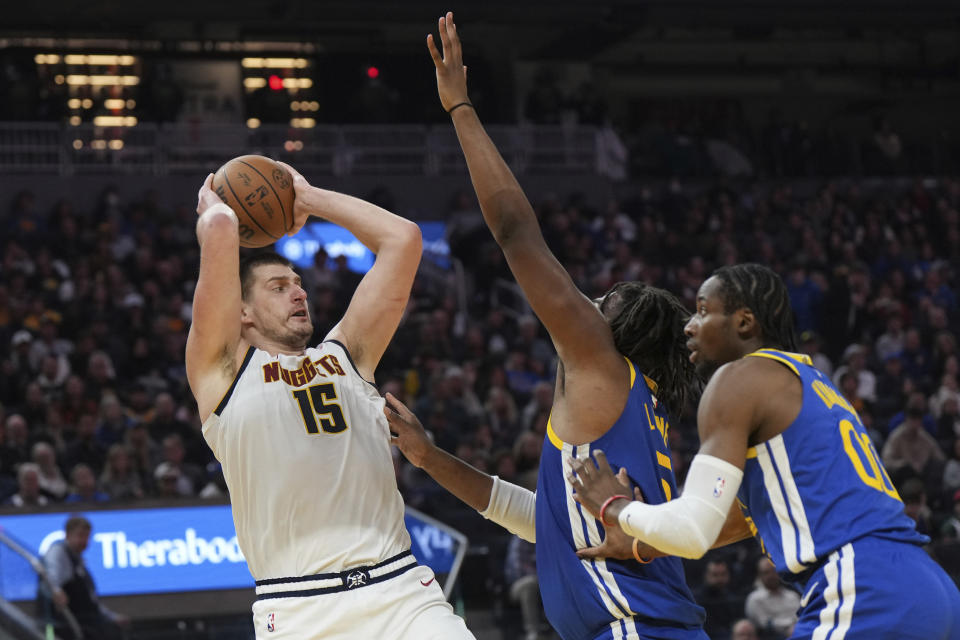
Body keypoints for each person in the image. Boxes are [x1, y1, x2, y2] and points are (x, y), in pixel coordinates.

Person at [388, 14, 752, 640]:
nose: (580, 303)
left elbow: (515, 233)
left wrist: (461, 108)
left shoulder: (602, 366)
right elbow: (534, 517)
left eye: (598, 302)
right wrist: (429, 459)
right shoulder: (627, 418)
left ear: (614, 329)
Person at [571, 263, 960, 639]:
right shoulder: (810, 381)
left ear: (744, 322)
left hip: (864, 586)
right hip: (929, 586)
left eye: (704, 311)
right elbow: (743, 516)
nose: (689, 325)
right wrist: (642, 542)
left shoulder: (738, 378)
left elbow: (693, 529)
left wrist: (616, 508)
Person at [186, 164, 473, 640]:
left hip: (400, 591)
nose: (298, 292)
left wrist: (308, 197)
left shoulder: (347, 355)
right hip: (298, 608)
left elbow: (403, 239)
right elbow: (219, 231)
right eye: (279, 288)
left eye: (298, 284)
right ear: (241, 311)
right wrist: (216, 212)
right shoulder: (221, 375)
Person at [40, 515, 127, 640]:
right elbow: (51, 578)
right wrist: (57, 591)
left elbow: (92, 602)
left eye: (87, 536)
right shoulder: (59, 552)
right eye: (80, 535)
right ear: (68, 535)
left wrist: (112, 617)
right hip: (70, 627)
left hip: (88, 624)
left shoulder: (79, 561)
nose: (84, 541)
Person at [744, 558, 799, 640]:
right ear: (760, 575)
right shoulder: (754, 599)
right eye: (766, 572)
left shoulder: (792, 596)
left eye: (774, 571)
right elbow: (765, 624)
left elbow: (801, 617)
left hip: (798, 633)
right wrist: (791, 626)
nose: (771, 576)